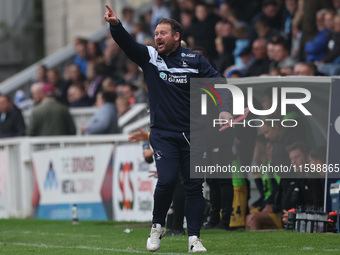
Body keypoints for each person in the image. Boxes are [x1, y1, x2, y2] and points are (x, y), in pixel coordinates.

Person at [104, 4, 232, 253]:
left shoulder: (195, 59)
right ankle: (157, 226)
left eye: (163, 33)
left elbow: (218, 82)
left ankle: (194, 239)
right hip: (163, 134)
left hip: (195, 134)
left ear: (176, 36)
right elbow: (128, 45)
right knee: (168, 180)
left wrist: (224, 108)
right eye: (156, 33)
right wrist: (116, 26)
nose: (158, 37)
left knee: (195, 186)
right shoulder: (150, 57)